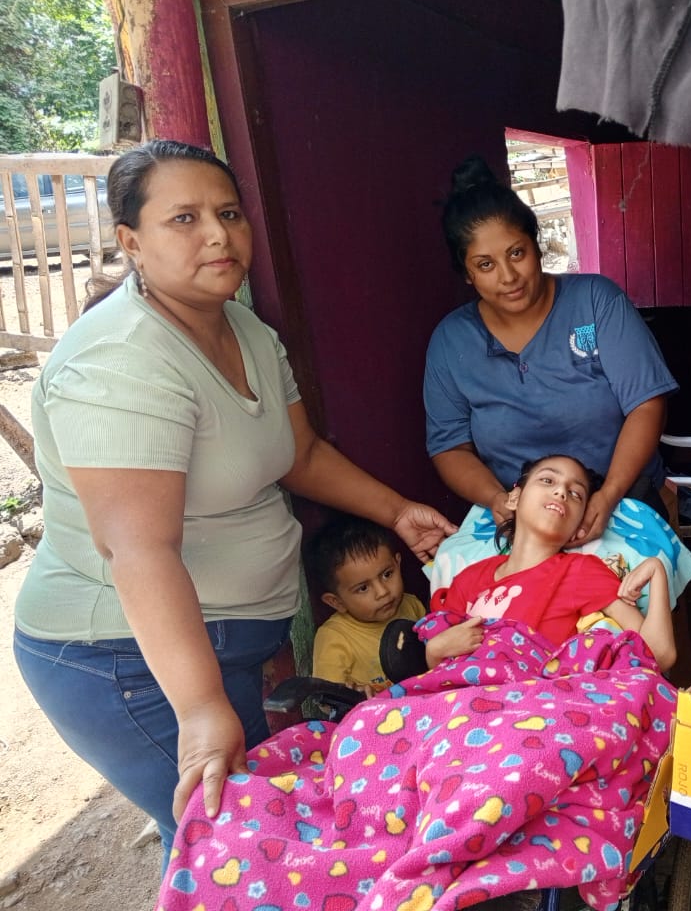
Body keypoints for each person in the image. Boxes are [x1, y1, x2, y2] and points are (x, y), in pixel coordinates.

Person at [11, 140, 456, 866]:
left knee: (228, 845)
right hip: (127, 663)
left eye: (228, 213)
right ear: (131, 242)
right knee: (233, 854)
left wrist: (396, 511)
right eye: (183, 218)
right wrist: (198, 707)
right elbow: (138, 548)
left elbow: (300, 455)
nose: (218, 234)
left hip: (217, 651)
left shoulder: (244, 329)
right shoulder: (121, 361)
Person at [424, 155, 679, 545]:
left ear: (536, 246)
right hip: (518, 524)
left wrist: (608, 495)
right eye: (485, 265)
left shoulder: (595, 301)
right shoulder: (451, 341)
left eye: (516, 253)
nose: (508, 277)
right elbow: (450, 447)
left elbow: (646, 404)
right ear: (467, 274)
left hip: (625, 503)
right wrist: (498, 500)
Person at [431, 454, 676, 670]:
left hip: (538, 703)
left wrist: (656, 570)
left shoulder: (581, 571)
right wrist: (433, 652)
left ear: (580, 525)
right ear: (514, 498)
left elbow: (657, 655)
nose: (561, 492)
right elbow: (438, 674)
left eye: (576, 494)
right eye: (548, 480)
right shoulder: (467, 579)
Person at [304, 514, 427, 695]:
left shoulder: (411, 605)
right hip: (378, 712)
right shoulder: (334, 637)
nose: (382, 592)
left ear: (398, 563)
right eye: (363, 588)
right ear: (336, 602)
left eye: (387, 574)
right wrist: (354, 694)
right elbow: (327, 698)